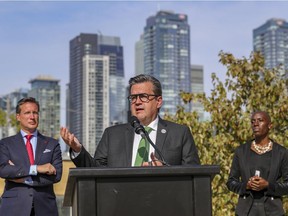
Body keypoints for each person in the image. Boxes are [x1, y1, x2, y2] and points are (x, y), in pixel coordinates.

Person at [61, 74, 200, 167]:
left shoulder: (179, 134)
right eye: (133, 98)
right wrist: (78, 150)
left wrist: (165, 171)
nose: (137, 102)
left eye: (143, 97)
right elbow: (96, 172)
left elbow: (193, 174)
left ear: (158, 101)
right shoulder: (112, 135)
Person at [0, 97, 62, 216]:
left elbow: (57, 175)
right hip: (14, 208)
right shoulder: (5, 144)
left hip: (45, 208)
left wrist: (19, 177)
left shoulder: (52, 144)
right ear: (18, 116)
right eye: (27, 112)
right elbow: (3, 170)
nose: (32, 117)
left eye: (35, 112)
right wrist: (36, 169)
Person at [226, 111, 288, 216]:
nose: (255, 124)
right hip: (245, 211)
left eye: (260, 120)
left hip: (273, 211)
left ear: (270, 125)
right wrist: (246, 186)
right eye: (253, 121)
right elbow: (231, 182)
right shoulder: (241, 151)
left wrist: (268, 185)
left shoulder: (281, 152)